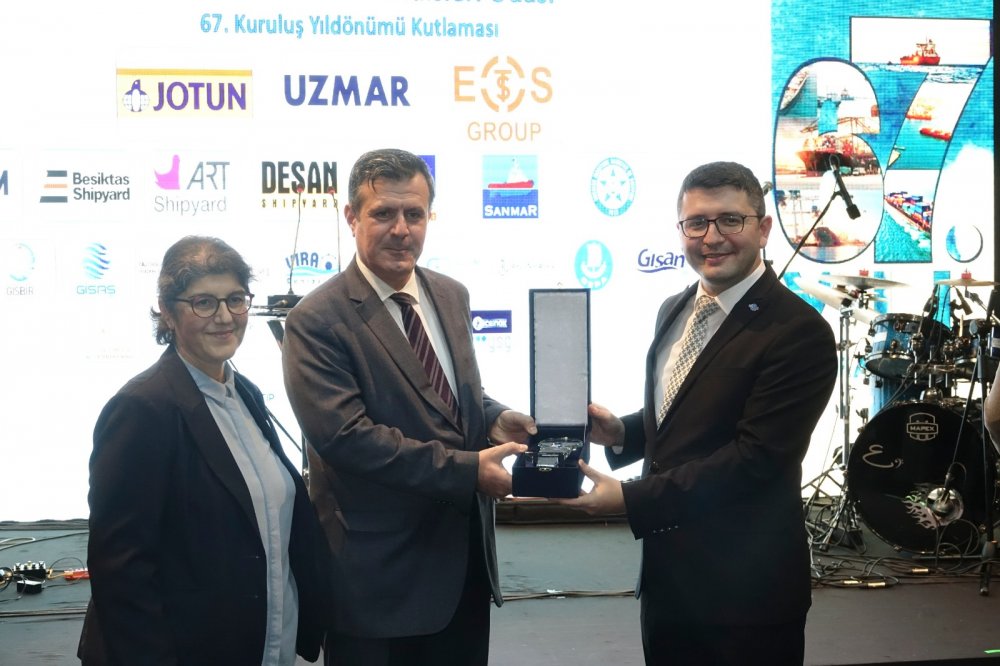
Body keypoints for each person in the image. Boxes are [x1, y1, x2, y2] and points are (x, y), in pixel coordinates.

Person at [562, 161, 838, 665]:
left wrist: (630, 499)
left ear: (763, 228)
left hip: (746, 597)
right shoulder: (675, 306)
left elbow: (755, 459)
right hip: (667, 585)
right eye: (696, 223)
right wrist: (622, 432)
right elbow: (685, 413)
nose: (711, 237)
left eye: (730, 220)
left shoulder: (799, 332)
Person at [281, 148, 536, 666]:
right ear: (352, 217)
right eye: (383, 213)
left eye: (414, 214)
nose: (401, 230)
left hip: (462, 569)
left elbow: (451, 395)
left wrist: (493, 418)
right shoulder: (315, 320)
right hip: (379, 583)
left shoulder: (450, 294)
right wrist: (468, 470)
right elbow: (347, 438)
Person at [78, 236, 332, 665]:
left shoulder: (245, 394)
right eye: (203, 303)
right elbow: (121, 570)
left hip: (264, 645)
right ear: (168, 311)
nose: (224, 316)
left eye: (235, 299)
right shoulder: (141, 409)